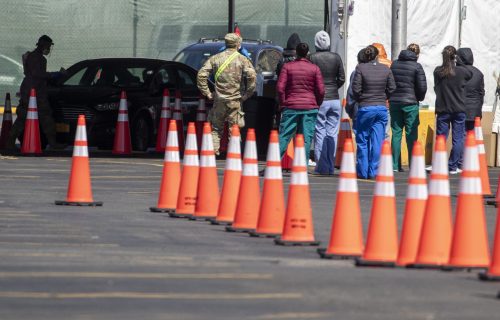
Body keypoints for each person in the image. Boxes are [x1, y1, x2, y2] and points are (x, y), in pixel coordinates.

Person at [197, 33, 256, 156]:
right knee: (234, 129)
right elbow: (252, 76)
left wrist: (207, 93)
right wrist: (247, 94)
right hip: (235, 101)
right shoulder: (242, 59)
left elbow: (201, 75)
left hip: (218, 100)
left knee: (216, 129)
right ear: (238, 44)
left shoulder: (215, 58)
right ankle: (233, 155)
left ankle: (212, 154)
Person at [5, 35, 66, 150]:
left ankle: (10, 142)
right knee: (40, 117)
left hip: (32, 90)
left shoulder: (34, 57)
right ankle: (52, 143)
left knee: (31, 117)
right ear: (43, 45)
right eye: (47, 46)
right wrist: (54, 74)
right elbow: (37, 74)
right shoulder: (37, 58)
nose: (48, 49)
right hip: (34, 92)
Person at [352, 45, 396, 179]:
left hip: (366, 107)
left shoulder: (360, 68)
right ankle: (374, 171)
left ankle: (362, 171)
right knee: (378, 140)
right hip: (381, 108)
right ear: (377, 56)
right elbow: (392, 87)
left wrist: (362, 98)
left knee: (362, 140)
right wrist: (384, 97)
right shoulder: (385, 69)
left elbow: (356, 89)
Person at [277, 43, 325, 162]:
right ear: (308, 53)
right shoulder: (315, 68)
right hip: (309, 106)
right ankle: (302, 166)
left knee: (284, 136)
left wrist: (283, 103)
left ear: (296, 53)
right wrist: (317, 103)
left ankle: (273, 163)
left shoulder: (287, 67)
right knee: (306, 137)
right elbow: (321, 90)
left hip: (291, 106)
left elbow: (280, 88)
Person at [309, 30, 345, 175]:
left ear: (316, 42)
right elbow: (341, 78)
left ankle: (321, 166)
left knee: (320, 132)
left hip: (320, 100)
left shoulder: (312, 57)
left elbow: (310, 78)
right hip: (335, 99)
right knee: (332, 133)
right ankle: (330, 165)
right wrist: (334, 87)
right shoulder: (336, 57)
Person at [433, 45, 472, 174]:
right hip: (459, 108)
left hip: (443, 109)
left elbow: (436, 88)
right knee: (458, 138)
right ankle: (453, 166)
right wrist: (459, 62)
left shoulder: (438, 71)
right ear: (455, 57)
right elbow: (470, 73)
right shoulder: (462, 71)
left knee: (441, 138)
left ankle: (439, 164)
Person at [389, 43, 427, 172]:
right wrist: (419, 98)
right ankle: (413, 165)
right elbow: (422, 87)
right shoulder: (417, 66)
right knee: (411, 134)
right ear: (417, 54)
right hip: (410, 103)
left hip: (394, 102)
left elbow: (390, 83)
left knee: (396, 133)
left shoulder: (394, 64)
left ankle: (394, 165)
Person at [457, 48, 485, 131]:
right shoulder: (479, 73)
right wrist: (478, 106)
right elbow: (481, 93)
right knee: (472, 138)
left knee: (460, 137)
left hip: (460, 109)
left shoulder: (457, 72)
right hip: (475, 111)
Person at [346, 49, 367, 135]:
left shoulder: (356, 73)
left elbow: (351, 94)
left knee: (360, 137)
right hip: (376, 107)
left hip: (359, 108)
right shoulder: (378, 71)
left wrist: (349, 110)